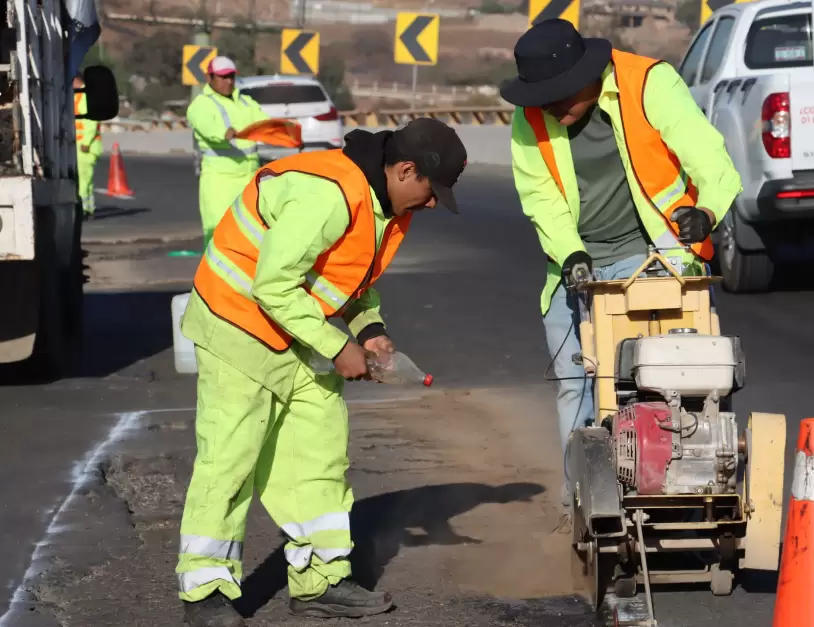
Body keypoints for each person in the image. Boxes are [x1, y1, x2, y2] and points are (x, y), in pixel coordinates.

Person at [174, 117, 468, 627]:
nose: (434, 202)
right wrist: (338, 347)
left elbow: (347, 281)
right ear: (404, 170)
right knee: (230, 460)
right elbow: (273, 286)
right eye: (431, 188)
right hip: (238, 326)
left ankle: (319, 581)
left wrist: (370, 328)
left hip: (296, 333)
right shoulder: (328, 195)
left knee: (319, 454)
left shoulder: (386, 209)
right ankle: (205, 592)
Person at [499, 19, 742, 511]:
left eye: (557, 96)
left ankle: (686, 488)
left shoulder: (649, 83)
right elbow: (540, 197)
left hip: (657, 253)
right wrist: (571, 255)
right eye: (540, 98)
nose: (549, 107)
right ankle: (582, 508)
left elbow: (710, 157)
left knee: (671, 378)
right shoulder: (532, 117)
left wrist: (708, 211)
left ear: (585, 77)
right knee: (576, 386)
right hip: (578, 263)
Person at [186, 55, 269, 249]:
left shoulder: (246, 102)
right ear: (210, 78)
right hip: (219, 182)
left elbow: (266, 124)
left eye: (231, 76)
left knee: (252, 237)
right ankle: (215, 279)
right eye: (223, 77)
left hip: (249, 179)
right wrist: (224, 134)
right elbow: (207, 127)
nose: (228, 81)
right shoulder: (201, 105)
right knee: (219, 237)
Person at [73, 72, 102, 219]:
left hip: (86, 147)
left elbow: (91, 121)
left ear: (77, 80)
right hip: (82, 146)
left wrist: (85, 142)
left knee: (83, 179)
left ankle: (83, 209)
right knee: (87, 179)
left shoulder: (86, 96)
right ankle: (89, 208)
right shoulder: (79, 96)